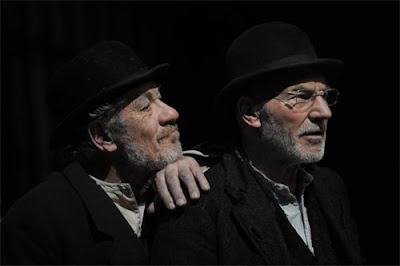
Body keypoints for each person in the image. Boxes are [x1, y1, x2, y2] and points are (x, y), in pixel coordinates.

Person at [150, 21, 364, 264]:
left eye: (324, 96)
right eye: (301, 97)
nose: (324, 112)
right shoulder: (196, 204)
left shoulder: (330, 187)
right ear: (251, 113)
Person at [1, 41, 210, 265]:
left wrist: (188, 159)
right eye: (145, 107)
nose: (172, 113)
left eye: (160, 98)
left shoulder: (180, 175)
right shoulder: (38, 222)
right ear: (103, 136)